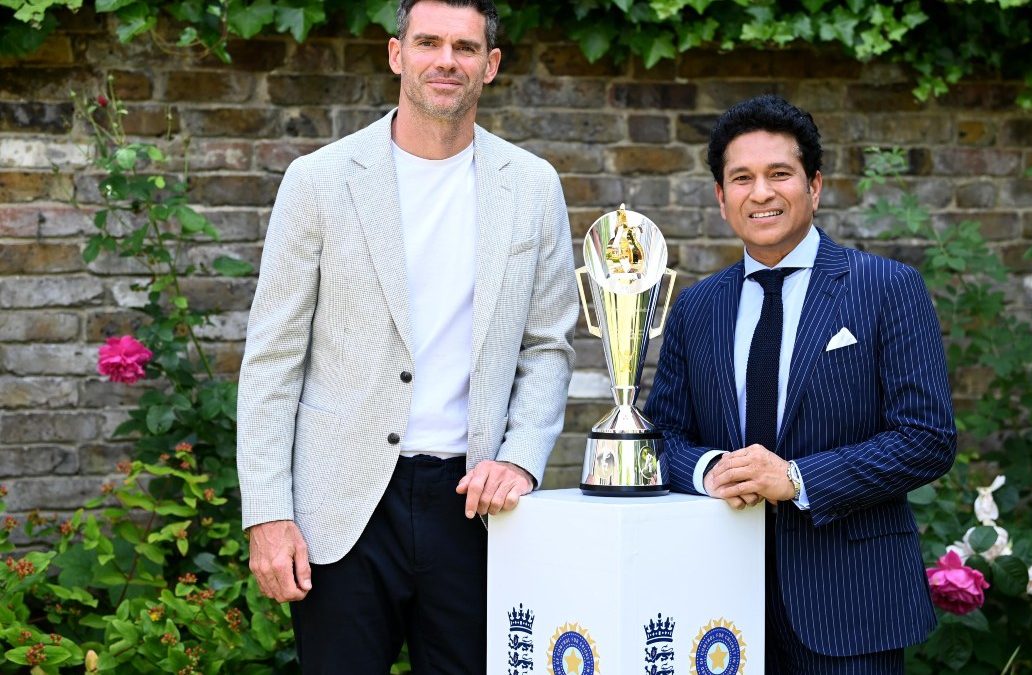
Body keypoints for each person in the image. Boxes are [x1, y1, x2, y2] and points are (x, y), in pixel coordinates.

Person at [235, 0, 576, 672]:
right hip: (343, 508)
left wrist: (522, 456)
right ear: (397, 54)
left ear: (491, 66)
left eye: (465, 47)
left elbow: (549, 345)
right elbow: (272, 359)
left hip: (473, 504)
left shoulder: (533, 186)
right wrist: (268, 512)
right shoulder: (320, 180)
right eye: (428, 43)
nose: (446, 61)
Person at [644, 94, 956, 674]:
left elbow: (928, 438)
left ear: (813, 186)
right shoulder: (697, 307)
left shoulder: (888, 288)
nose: (760, 193)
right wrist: (709, 469)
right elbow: (660, 436)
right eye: (741, 178)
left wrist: (795, 479)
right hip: (715, 605)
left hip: (851, 605)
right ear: (721, 197)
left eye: (778, 174)